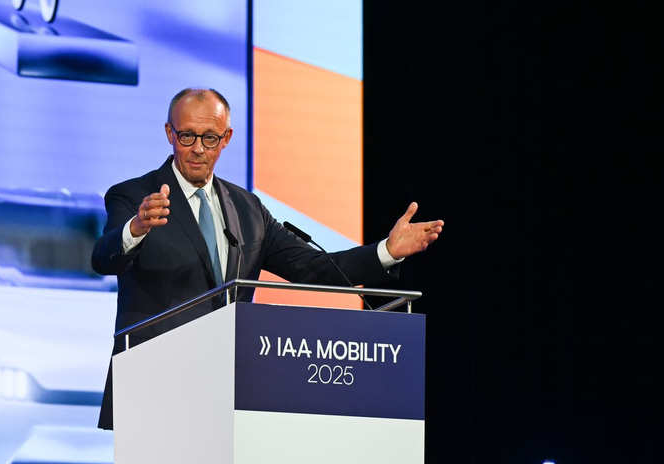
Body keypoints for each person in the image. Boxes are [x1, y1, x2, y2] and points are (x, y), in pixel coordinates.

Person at [90, 87, 445, 429]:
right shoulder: (134, 195)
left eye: (209, 138)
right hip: (155, 387)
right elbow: (104, 258)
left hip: (229, 389)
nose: (198, 148)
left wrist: (386, 251)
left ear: (226, 138)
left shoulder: (248, 209)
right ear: (169, 133)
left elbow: (314, 269)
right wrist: (135, 228)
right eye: (187, 136)